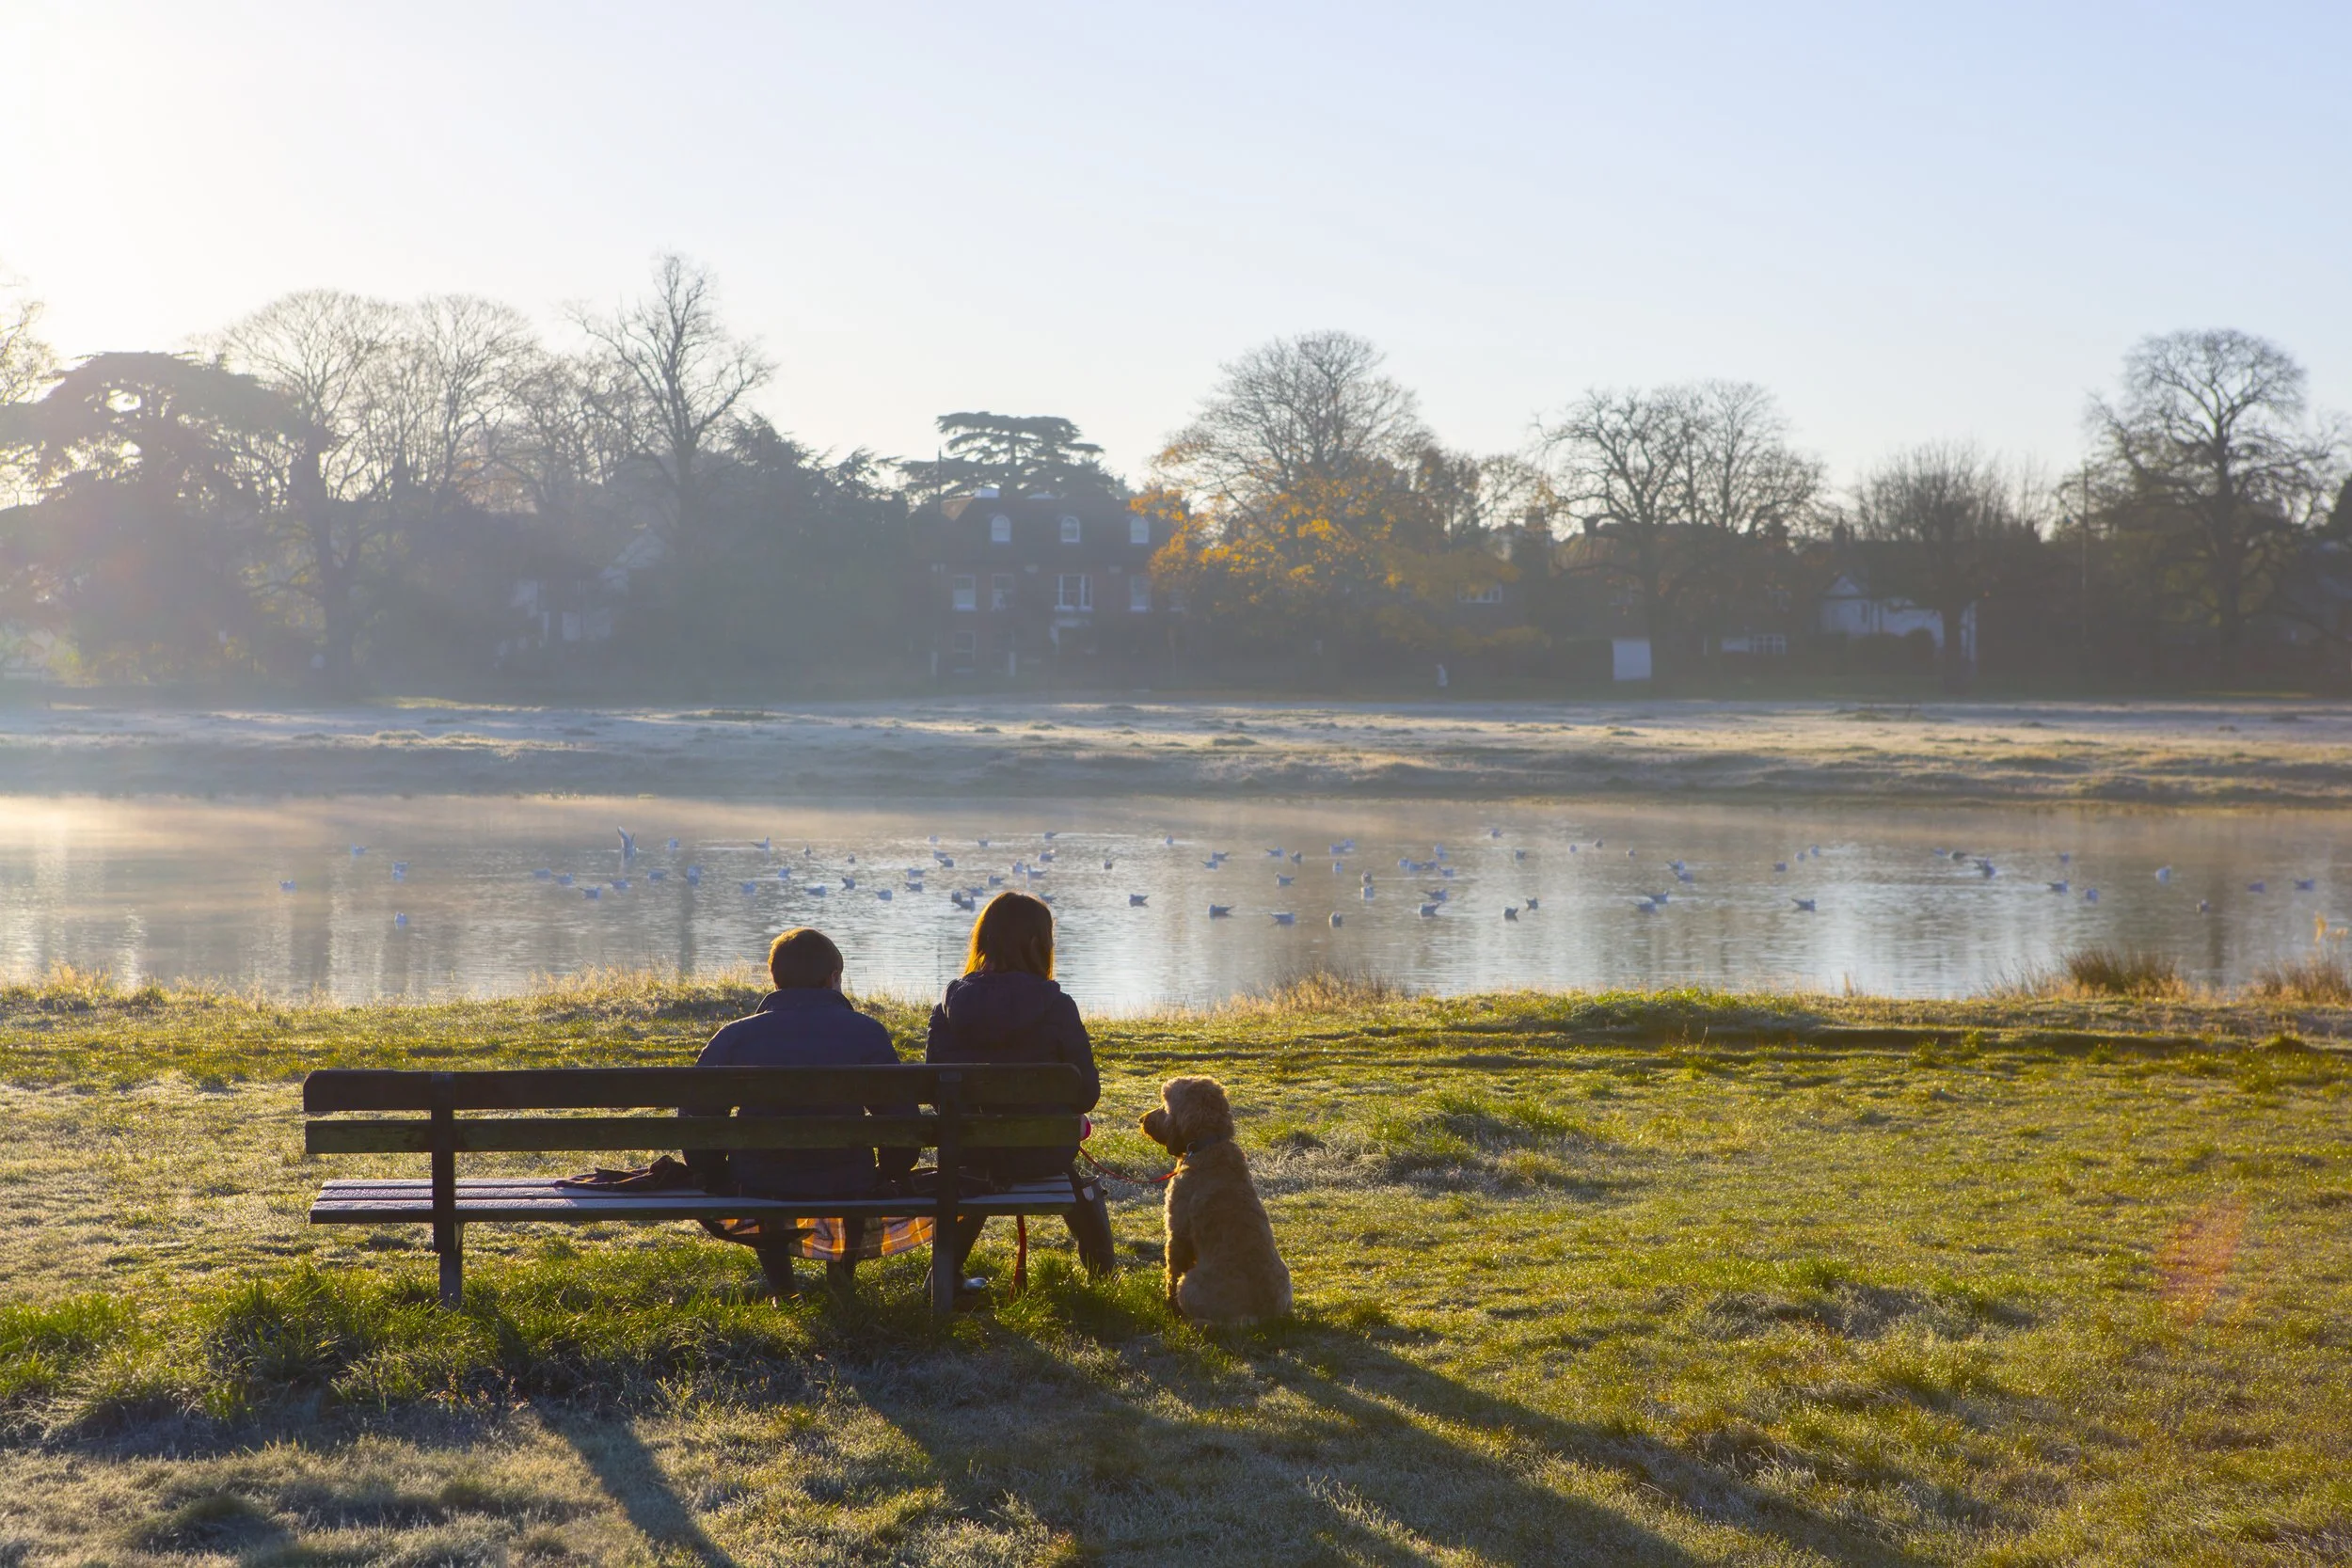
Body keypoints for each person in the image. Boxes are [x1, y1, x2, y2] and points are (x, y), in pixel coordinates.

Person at [694, 927, 914, 1296]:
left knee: (770, 1181)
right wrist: (890, 1170)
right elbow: (901, 1121)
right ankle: (841, 1284)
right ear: (833, 978)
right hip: (848, 1179)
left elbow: (696, 1113)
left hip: (758, 1179)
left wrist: (715, 1173)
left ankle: (785, 1291)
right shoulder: (866, 1033)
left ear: (774, 979)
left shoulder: (735, 1035)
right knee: (853, 1182)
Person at [925, 891, 1113, 1295]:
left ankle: (942, 1279)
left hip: (970, 1154)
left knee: (972, 1170)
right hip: (1043, 1152)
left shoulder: (948, 1007)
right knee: (1074, 1178)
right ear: (1037, 945)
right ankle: (1103, 1278)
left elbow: (937, 1095)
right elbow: (1086, 1094)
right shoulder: (1058, 1006)